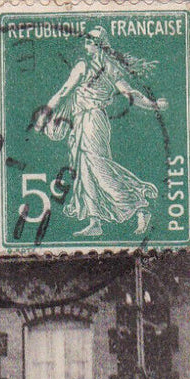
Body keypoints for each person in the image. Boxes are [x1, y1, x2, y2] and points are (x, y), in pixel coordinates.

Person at [39, 27, 169, 238]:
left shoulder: (100, 67)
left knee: (98, 167)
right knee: (84, 170)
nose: (86, 44)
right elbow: (130, 94)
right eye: (86, 40)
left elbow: (130, 94)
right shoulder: (103, 67)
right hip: (80, 121)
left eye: (90, 41)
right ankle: (95, 221)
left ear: (98, 44)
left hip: (93, 120)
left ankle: (138, 205)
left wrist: (153, 105)